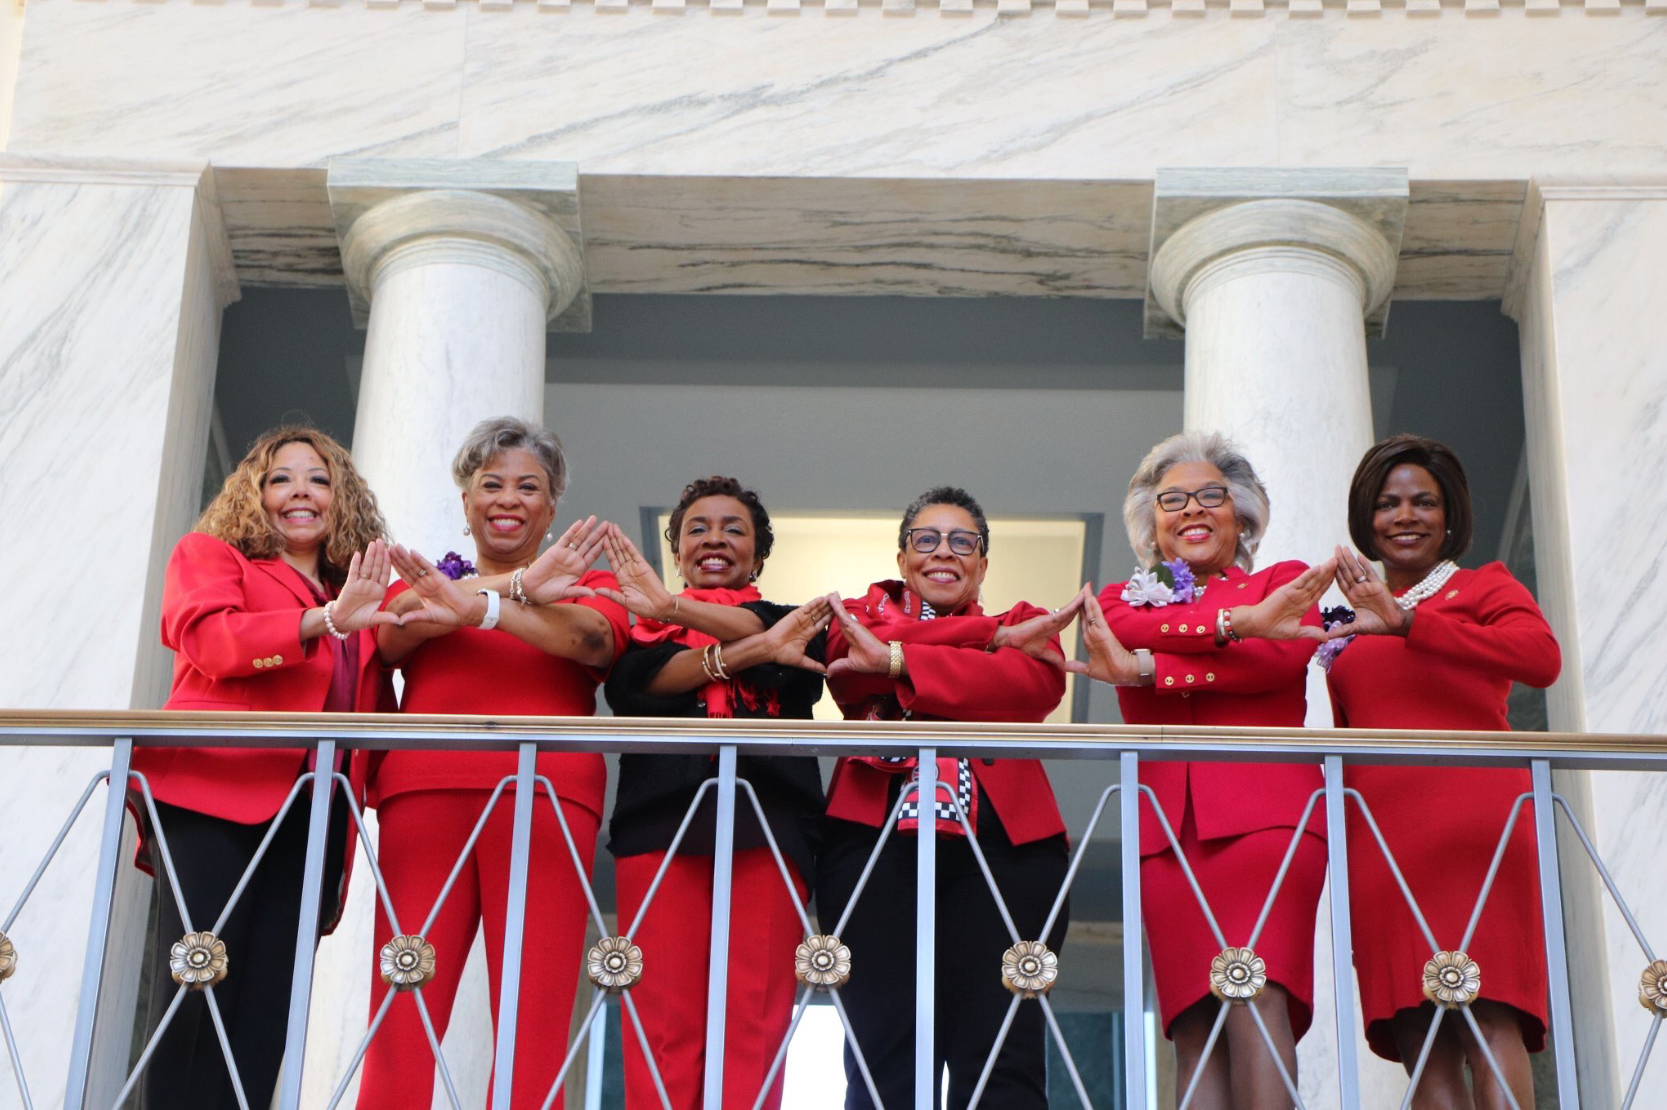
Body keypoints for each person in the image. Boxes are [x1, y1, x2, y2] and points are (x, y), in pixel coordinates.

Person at [357, 417, 629, 1110]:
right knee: (402, 994)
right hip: (425, 793)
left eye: (527, 486)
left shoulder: (585, 579)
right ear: (466, 500)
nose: (508, 499)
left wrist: (484, 607)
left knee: (533, 1010)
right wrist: (508, 592)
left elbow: (593, 639)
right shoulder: (428, 578)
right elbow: (391, 637)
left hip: (546, 796)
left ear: (551, 504)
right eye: (491, 484)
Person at [1072, 430, 1333, 1109]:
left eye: (1209, 496)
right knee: (1192, 1025)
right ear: (1151, 522)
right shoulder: (1127, 595)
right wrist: (1239, 626)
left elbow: (1278, 661)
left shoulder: (1281, 580)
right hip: (1166, 833)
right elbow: (1119, 629)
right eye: (1172, 499)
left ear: (1240, 513)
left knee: (1254, 998)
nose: (1190, 510)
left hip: (1266, 819)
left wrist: (1150, 669)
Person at [138, 426, 395, 1109]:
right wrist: (323, 622)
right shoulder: (213, 555)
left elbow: (372, 713)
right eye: (281, 478)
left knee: (267, 1010)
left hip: (312, 819)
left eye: (319, 478)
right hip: (212, 794)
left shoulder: (355, 597)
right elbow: (212, 641)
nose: (300, 492)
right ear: (254, 494)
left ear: (342, 500)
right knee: (196, 983)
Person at [816, 486, 1078, 1110]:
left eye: (963, 542)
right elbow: (852, 667)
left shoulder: (1024, 619)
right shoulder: (858, 612)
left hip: (1008, 846)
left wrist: (899, 660)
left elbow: (1033, 688)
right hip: (873, 840)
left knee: (1002, 1054)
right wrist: (989, 645)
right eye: (926, 540)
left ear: (983, 564)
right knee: (882, 1050)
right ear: (903, 559)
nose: (944, 553)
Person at [1318, 435, 1556, 1108]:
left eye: (1423, 502)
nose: (1405, 516)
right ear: (1367, 518)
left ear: (1448, 516)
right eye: (1388, 503)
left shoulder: (1482, 586)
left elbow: (1540, 657)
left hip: (1473, 827)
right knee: (1420, 1035)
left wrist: (1408, 621)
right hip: (1383, 841)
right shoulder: (1344, 618)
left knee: (1488, 1015)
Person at [600, 476, 831, 1110]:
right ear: (676, 551)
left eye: (735, 530)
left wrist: (673, 610)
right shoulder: (639, 635)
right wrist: (747, 651)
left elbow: (784, 653)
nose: (715, 540)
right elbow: (639, 691)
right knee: (663, 1024)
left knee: (754, 1017)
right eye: (697, 528)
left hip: (771, 825)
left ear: (758, 556)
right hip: (659, 828)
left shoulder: (792, 622)